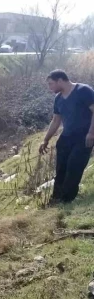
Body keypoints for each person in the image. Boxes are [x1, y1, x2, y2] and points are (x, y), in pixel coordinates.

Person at [39, 70, 94, 204]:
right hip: (66, 137)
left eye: (51, 84)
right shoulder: (58, 98)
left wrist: (91, 133)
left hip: (84, 137)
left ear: (60, 80)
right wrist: (46, 140)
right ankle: (56, 198)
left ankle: (66, 200)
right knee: (61, 169)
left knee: (73, 166)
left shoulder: (83, 91)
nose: (50, 88)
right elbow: (56, 120)